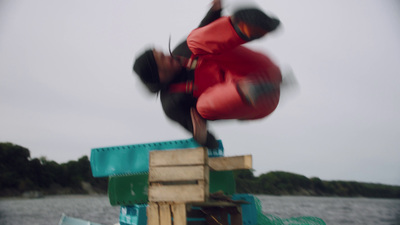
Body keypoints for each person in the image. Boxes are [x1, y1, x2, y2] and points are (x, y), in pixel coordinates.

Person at [133, 0, 282, 149]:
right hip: (259, 103)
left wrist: (215, 9)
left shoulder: (181, 53)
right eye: (163, 59)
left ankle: (245, 29)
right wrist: (202, 138)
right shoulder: (172, 104)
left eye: (163, 53)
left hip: (261, 69)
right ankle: (247, 91)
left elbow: (205, 30)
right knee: (203, 107)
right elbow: (209, 141)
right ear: (159, 75)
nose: (169, 56)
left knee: (194, 41)